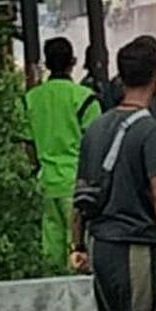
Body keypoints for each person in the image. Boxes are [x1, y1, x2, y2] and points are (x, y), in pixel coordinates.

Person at [72, 36, 156, 311]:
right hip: (133, 247)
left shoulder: (96, 128)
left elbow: (80, 192)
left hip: (99, 246)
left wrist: (76, 246)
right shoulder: (150, 131)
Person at [22, 37, 101, 270]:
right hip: (76, 186)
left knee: (50, 250)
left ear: (46, 63)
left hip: (45, 183)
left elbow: (27, 145)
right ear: (73, 62)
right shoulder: (84, 98)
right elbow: (96, 144)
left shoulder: (31, 99)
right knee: (77, 250)